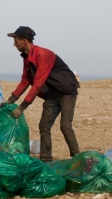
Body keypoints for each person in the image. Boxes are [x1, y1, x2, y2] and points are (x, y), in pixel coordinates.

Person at [5, 26, 80, 162]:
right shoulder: (27, 57)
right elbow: (26, 80)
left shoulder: (43, 54)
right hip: (52, 93)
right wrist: (10, 100)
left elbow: (38, 84)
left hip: (66, 91)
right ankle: (46, 160)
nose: (14, 44)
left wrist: (21, 107)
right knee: (44, 126)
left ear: (24, 40)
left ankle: (77, 157)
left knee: (65, 126)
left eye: (16, 41)